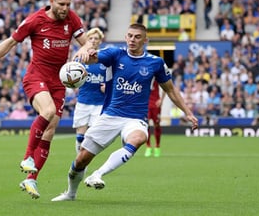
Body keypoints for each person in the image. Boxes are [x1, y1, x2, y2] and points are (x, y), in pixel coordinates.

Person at [51, 23, 198, 201]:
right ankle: (70, 193)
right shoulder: (115, 54)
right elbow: (94, 58)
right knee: (82, 158)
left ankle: (97, 174)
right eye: (129, 36)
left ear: (145, 40)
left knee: (139, 138)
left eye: (137, 37)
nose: (132, 40)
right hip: (111, 114)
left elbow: (171, 90)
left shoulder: (155, 63)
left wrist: (187, 112)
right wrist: (84, 55)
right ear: (125, 37)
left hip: (135, 118)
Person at [0, 0, 88, 199]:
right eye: (62, 4)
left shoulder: (72, 19)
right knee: (47, 112)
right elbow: (10, 42)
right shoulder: (35, 20)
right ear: (52, 1)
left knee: (50, 130)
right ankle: (28, 157)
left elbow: (85, 45)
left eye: (68, 5)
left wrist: (85, 50)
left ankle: (30, 179)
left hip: (58, 82)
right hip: (36, 77)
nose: (65, 8)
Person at [73, 27, 106, 154]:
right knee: (80, 136)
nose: (93, 41)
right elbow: (72, 79)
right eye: (90, 38)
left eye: (96, 38)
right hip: (83, 101)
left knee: (92, 137)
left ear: (100, 41)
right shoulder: (80, 58)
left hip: (99, 103)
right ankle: (79, 162)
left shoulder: (105, 58)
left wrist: (107, 87)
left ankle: (84, 161)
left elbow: (113, 79)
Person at [144, 80, 166, 157]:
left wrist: (161, 100)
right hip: (145, 104)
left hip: (156, 104)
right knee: (145, 125)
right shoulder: (143, 73)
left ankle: (157, 146)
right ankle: (148, 147)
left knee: (157, 125)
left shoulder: (156, 74)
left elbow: (165, 86)